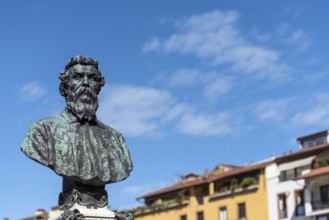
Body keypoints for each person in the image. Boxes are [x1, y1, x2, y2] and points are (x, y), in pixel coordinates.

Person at [21, 55, 133, 190]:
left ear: (98, 87)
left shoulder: (116, 138)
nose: (85, 83)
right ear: (65, 87)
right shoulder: (42, 130)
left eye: (92, 78)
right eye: (78, 77)